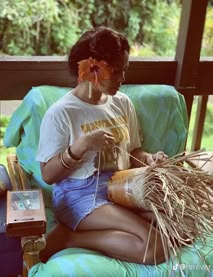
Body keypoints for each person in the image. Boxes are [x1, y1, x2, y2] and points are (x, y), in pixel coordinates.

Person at [36, 26, 168, 265]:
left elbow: (133, 152)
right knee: (155, 247)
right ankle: (69, 239)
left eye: (124, 70)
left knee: (176, 227)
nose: (123, 79)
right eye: (116, 71)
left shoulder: (122, 103)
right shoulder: (62, 112)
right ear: (92, 69)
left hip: (121, 187)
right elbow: (47, 174)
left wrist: (148, 158)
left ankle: (79, 236)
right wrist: (81, 146)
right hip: (79, 194)